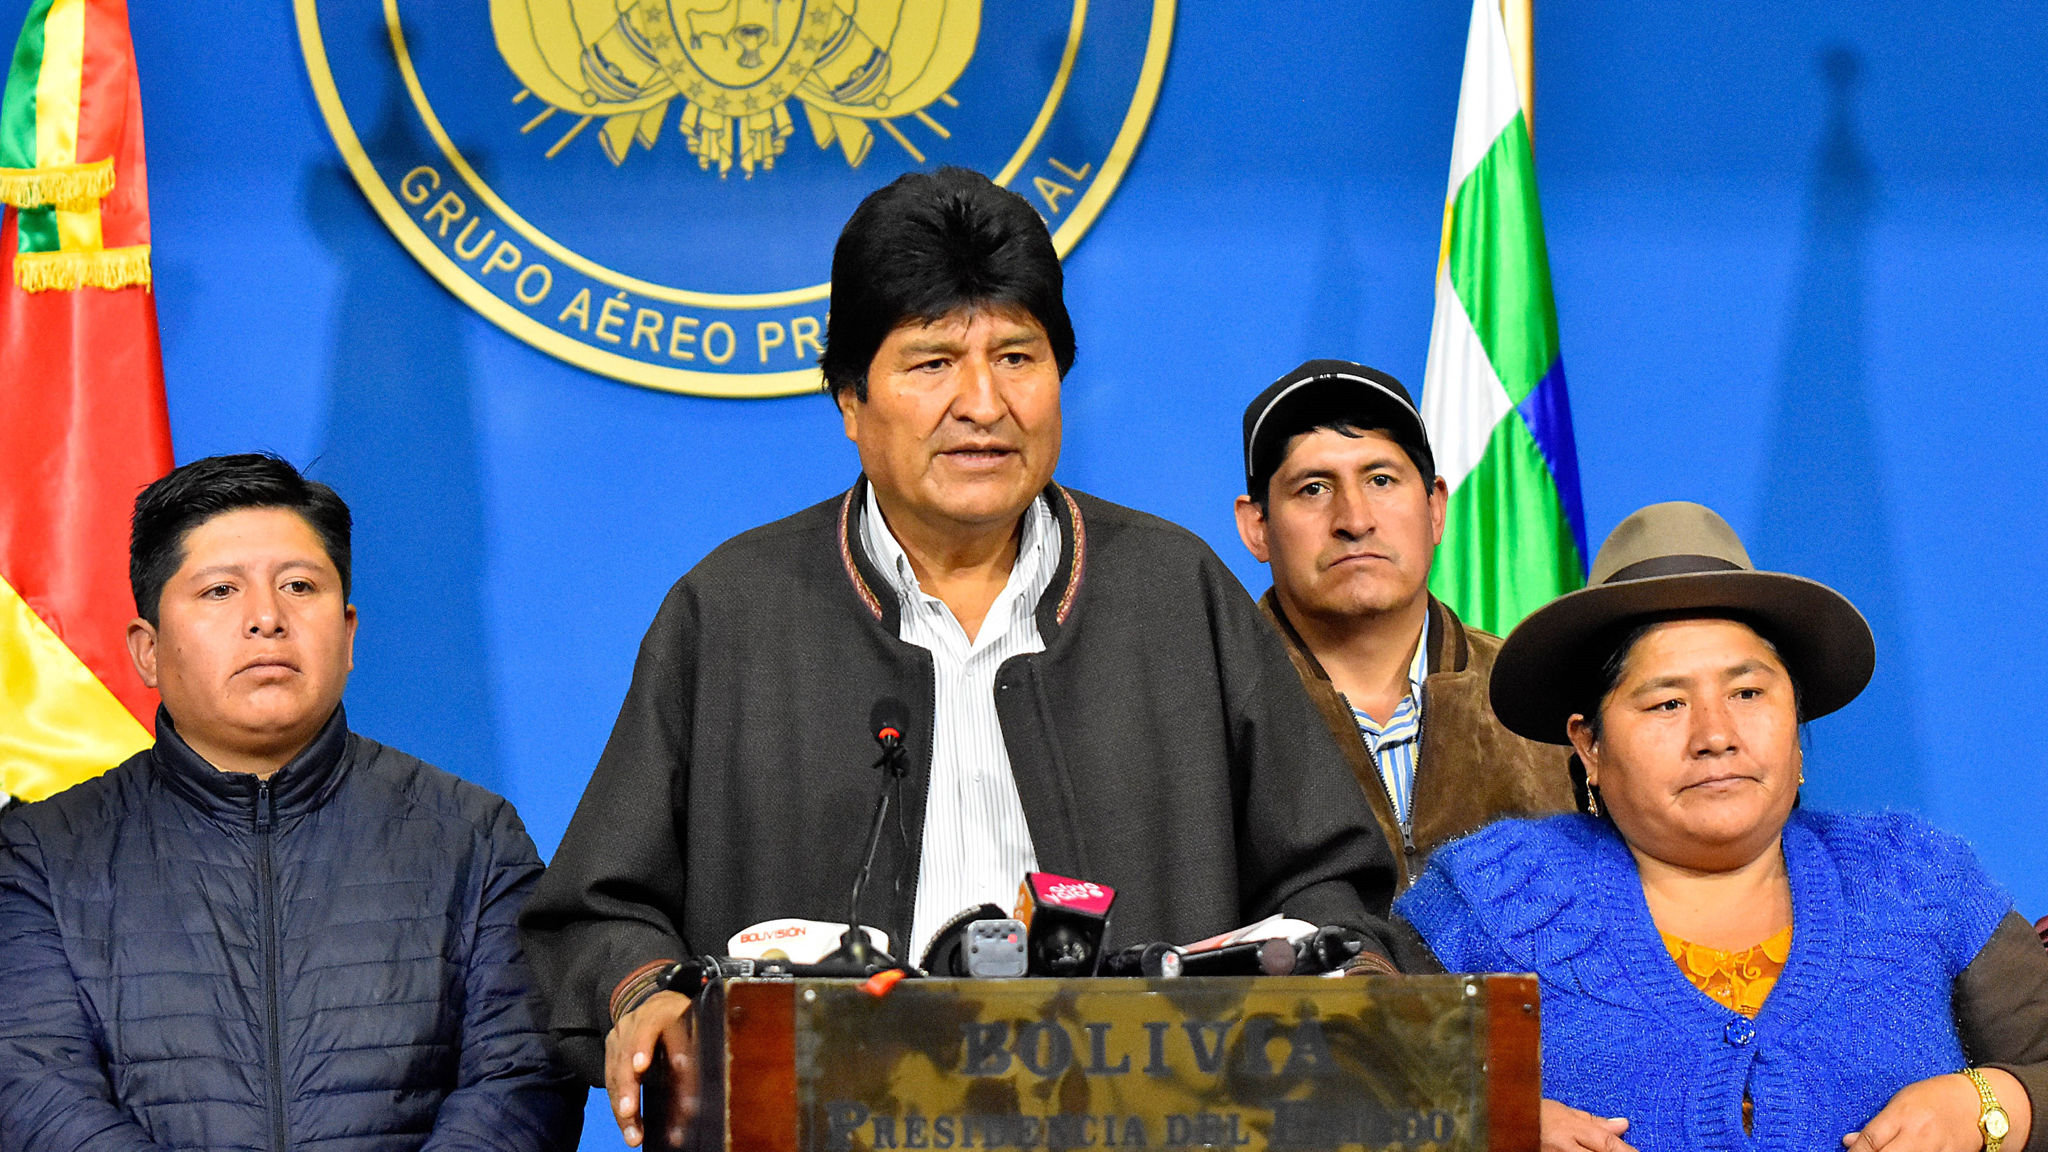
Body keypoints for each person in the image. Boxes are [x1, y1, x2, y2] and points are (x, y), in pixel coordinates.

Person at [519, 167, 1399, 1146]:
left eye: (1016, 356)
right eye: (932, 362)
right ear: (850, 400)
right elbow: (597, 914)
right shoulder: (731, 613)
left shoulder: (1174, 592)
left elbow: (1329, 886)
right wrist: (645, 994)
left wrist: (1347, 976)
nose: (982, 402)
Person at [1394, 501, 2048, 1152]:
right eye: (1668, 703)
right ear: (1590, 746)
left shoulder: (1917, 878)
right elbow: (1352, 1077)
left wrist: (1993, 1106)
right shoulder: (1492, 894)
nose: (1716, 735)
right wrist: (1487, 1119)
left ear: (1796, 725)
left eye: (1748, 693)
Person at [0, 454, 583, 1152]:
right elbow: (32, 1089)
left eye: (299, 586)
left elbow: (523, 1079)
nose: (267, 619)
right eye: (220, 591)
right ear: (147, 651)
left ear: (349, 634)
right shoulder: (41, 855)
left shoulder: (475, 839)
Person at [1234, 360, 1573, 889]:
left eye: (1381, 480)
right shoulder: (1203, 716)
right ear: (1257, 527)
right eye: (1314, 488)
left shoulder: (1541, 706)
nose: (1355, 520)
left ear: (1436, 509)